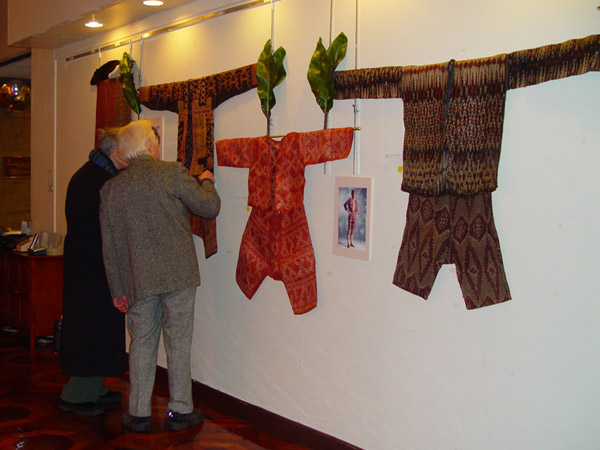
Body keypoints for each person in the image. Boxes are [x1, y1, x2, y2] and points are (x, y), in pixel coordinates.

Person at [99, 119, 221, 433]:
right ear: (149, 145)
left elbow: (109, 245)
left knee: (141, 343)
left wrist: (117, 289)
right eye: (154, 138)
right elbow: (208, 207)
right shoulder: (171, 172)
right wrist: (207, 181)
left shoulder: (111, 189)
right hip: (178, 275)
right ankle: (181, 410)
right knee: (178, 343)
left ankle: (138, 414)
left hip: (137, 280)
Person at [59, 128, 128, 417]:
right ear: (114, 153)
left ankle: (95, 387)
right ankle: (77, 395)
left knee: (97, 327)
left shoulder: (88, 173)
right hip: (93, 267)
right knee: (91, 329)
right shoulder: (101, 181)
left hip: (85, 264)